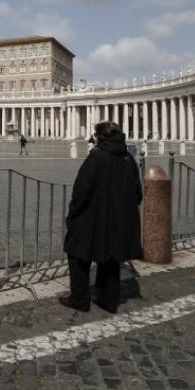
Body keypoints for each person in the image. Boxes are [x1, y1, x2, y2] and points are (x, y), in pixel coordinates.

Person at [60, 121, 143, 313]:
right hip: (119, 220)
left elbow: (82, 191)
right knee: (111, 258)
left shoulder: (96, 158)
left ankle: (80, 299)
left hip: (91, 218)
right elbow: (137, 194)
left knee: (78, 255)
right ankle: (108, 300)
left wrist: (73, 213)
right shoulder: (128, 159)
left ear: (100, 138)